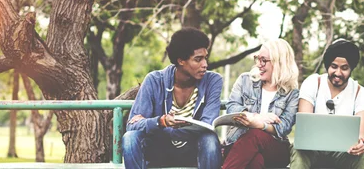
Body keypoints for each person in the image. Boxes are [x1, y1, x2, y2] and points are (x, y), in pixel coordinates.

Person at [122, 27, 222, 169]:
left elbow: (208, 124)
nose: (205, 65)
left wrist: (164, 128)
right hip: (159, 148)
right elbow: (132, 125)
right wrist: (161, 121)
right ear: (181, 60)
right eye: (198, 59)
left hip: (192, 149)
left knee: (210, 139)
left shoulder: (213, 80)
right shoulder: (154, 80)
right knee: (130, 138)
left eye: (205, 58)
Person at [290, 39, 364, 168]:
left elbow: (360, 136)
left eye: (344, 68)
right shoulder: (313, 83)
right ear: (328, 66)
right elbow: (304, 126)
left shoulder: (361, 93)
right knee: (299, 152)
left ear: (351, 68)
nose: (338, 73)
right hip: (311, 150)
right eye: (334, 66)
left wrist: (359, 144)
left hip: (343, 153)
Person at [222, 39, 300, 169]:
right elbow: (232, 107)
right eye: (258, 59)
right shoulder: (245, 80)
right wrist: (256, 116)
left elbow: (284, 127)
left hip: (275, 149)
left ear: (279, 62)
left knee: (255, 134)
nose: (259, 64)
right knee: (255, 162)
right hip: (238, 143)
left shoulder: (292, 93)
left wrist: (260, 125)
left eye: (264, 60)